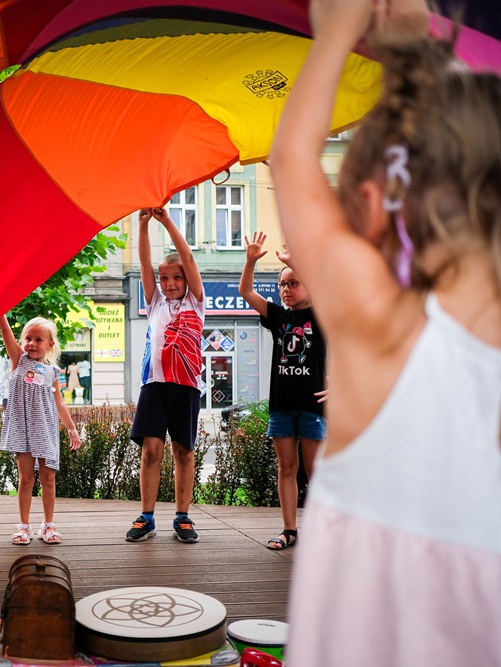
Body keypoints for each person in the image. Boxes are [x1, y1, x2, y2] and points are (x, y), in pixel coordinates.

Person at [270, 0, 501, 663]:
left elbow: (291, 159)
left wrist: (340, 30)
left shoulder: (377, 319)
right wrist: (415, 46)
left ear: (372, 207)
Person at [238, 232, 327, 550]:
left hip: (312, 406)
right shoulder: (278, 317)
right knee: (287, 468)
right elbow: (246, 291)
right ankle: (290, 531)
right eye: (282, 284)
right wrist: (250, 260)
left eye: (294, 283)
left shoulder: (321, 314)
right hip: (282, 407)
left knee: (314, 470)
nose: (286, 290)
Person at [127, 208, 205, 543]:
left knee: (183, 452)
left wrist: (166, 221)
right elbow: (144, 264)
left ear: (186, 279)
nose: (170, 283)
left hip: (186, 387)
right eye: (164, 278)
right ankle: (146, 517)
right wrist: (143, 224)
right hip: (155, 385)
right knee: (151, 450)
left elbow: (186, 255)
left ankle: (183, 517)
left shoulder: (196, 301)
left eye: (176, 277)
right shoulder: (155, 302)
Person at [0, 315, 81, 544]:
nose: (32, 343)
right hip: (22, 429)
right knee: (25, 479)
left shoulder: (53, 372)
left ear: (50, 345)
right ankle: (24, 527)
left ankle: (48, 524)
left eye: (38, 339)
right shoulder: (19, 360)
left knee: (48, 478)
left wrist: (72, 429)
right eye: (28, 338)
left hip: (45, 429)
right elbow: (5, 332)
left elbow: (59, 403)